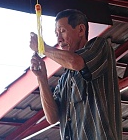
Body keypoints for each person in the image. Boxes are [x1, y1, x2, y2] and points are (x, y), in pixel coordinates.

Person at [30, 9, 122, 139]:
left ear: (80, 30)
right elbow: (52, 117)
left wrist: (43, 48)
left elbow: (76, 62)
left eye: (62, 31)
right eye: (57, 34)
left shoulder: (100, 46)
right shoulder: (64, 79)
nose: (59, 39)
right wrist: (41, 78)